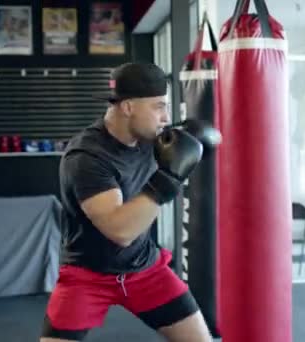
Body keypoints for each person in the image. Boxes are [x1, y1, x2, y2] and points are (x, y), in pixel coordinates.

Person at [40, 62, 215, 342]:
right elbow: (120, 231)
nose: (165, 116)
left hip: (145, 270)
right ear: (129, 107)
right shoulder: (87, 157)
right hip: (87, 276)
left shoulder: (153, 139)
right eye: (158, 106)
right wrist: (168, 178)